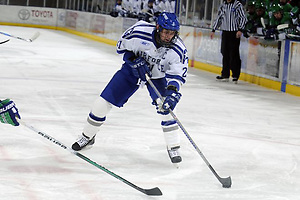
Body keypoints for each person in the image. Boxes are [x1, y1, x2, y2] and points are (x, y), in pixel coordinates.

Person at [71, 12, 188, 164]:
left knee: (167, 108)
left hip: (158, 77)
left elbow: (177, 75)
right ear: (158, 27)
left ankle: (173, 146)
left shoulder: (178, 49)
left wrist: (172, 92)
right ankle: (87, 137)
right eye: (166, 32)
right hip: (131, 71)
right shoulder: (139, 31)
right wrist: (133, 60)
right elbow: (121, 47)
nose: (168, 36)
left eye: (172, 33)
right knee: (101, 104)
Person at [210, 0, 247, 83]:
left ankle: (235, 75)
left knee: (233, 54)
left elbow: (243, 18)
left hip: (234, 33)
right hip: (225, 32)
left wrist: (240, 29)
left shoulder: (237, 5)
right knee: (224, 52)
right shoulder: (223, 5)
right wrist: (213, 29)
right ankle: (225, 74)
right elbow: (219, 17)